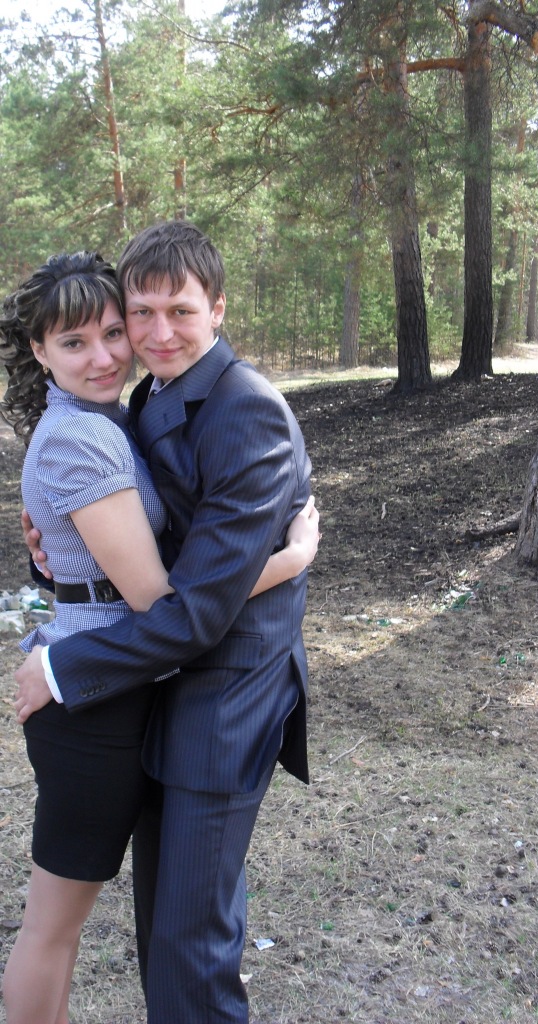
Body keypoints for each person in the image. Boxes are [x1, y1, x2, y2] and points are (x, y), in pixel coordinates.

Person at [1, 247, 318, 1024]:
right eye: (139, 314)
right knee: (105, 933)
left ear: (219, 308)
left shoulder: (209, 407)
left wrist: (61, 613)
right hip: (122, 700)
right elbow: (156, 581)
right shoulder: (117, 414)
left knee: (173, 944)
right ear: (40, 350)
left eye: (118, 330)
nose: (136, 341)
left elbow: (180, 587)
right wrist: (289, 560)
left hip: (200, 700)